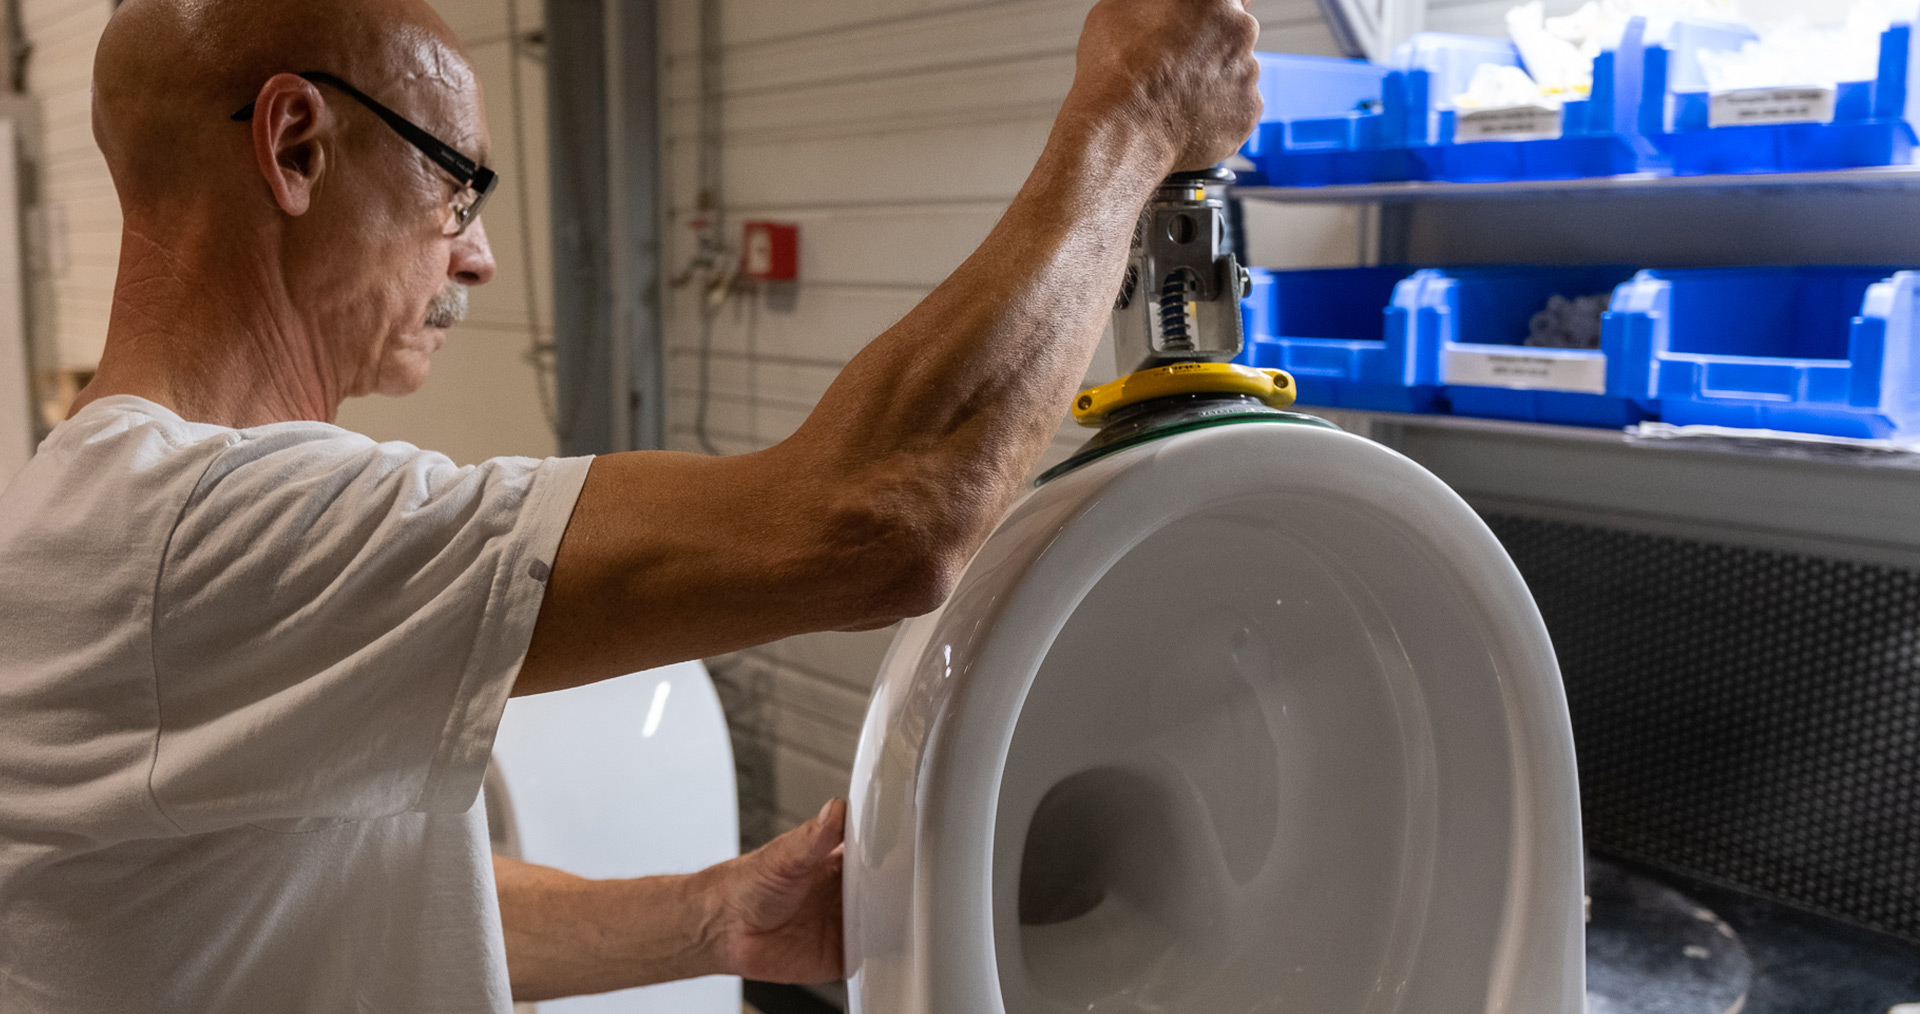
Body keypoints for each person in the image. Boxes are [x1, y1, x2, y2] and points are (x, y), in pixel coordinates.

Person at [0, 0, 1261, 1007]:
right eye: (455, 186)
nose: (477, 252)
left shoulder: (138, 522)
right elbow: (876, 518)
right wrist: (1137, 110)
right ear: (295, 146)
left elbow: (340, 881)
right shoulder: (187, 532)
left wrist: (714, 917)